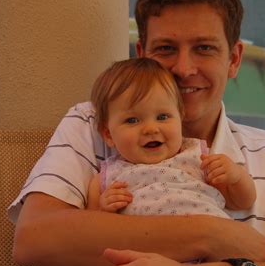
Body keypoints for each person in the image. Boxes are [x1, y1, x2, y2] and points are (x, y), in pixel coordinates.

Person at [9, 0, 265, 266]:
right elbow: (34, 239)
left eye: (204, 48)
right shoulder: (92, 124)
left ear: (234, 58)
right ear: (142, 55)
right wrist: (210, 234)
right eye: (166, 48)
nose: (183, 68)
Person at [87, 57, 256, 219]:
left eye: (162, 117)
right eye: (132, 120)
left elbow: (243, 202)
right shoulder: (108, 177)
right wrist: (104, 209)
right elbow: (90, 229)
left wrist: (236, 176)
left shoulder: (200, 158)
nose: (151, 129)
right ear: (108, 134)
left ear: (180, 118)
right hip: (143, 245)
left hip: (211, 241)